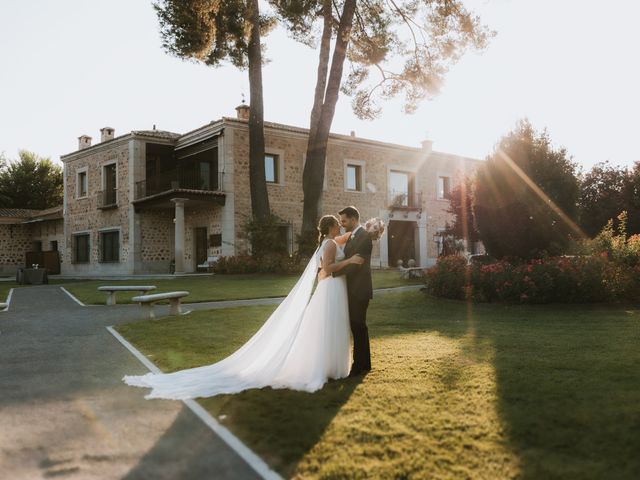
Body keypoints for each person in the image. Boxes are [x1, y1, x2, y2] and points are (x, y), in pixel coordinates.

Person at [123, 215, 363, 399]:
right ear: (331, 228)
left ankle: (330, 367)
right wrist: (351, 261)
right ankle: (326, 368)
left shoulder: (331, 241)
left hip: (332, 290)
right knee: (328, 326)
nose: (340, 228)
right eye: (337, 225)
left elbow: (344, 240)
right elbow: (327, 269)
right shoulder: (330, 245)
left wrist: (363, 231)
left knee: (328, 328)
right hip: (330, 289)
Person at [333, 206, 373, 376]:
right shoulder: (352, 236)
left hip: (359, 289)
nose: (342, 224)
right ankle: (365, 364)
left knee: (358, 326)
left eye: (344, 221)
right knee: (358, 327)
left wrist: (333, 272)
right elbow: (350, 260)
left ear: (353, 219)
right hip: (352, 289)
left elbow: (355, 266)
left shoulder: (364, 236)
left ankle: (358, 366)